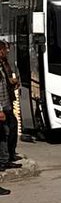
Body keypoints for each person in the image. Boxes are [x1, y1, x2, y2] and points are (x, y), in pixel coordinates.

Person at [0, 41, 19, 169]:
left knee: (11, 128)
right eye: (4, 49)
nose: (7, 51)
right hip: (2, 106)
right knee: (4, 132)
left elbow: (5, 82)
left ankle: (8, 156)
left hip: (7, 103)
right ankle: (4, 160)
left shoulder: (4, 64)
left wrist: (12, 82)